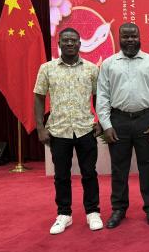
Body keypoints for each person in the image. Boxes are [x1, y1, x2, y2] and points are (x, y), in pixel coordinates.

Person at [33, 27, 103, 235]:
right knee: (61, 175)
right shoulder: (47, 68)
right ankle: (64, 214)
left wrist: (100, 121)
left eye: (74, 40)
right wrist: (40, 127)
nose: (70, 43)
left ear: (80, 44)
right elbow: (39, 97)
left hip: (85, 129)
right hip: (58, 130)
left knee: (89, 173)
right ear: (59, 44)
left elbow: (99, 97)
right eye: (66, 40)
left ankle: (93, 212)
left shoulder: (92, 69)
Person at [96, 23, 149, 228]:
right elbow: (102, 96)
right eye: (125, 37)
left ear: (139, 37)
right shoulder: (108, 64)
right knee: (119, 168)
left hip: (146, 119)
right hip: (118, 121)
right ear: (119, 38)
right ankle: (118, 209)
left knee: (147, 167)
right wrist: (106, 125)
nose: (130, 40)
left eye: (133, 36)